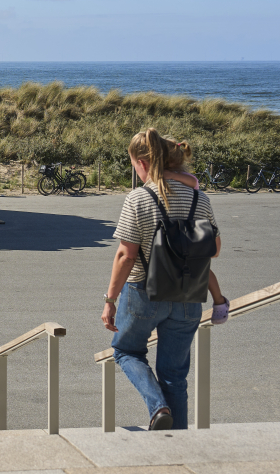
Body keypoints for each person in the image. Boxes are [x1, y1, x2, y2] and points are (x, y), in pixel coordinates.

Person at [102, 128, 222, 431]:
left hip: (144, 292)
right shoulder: (200, 198)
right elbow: (215, 250)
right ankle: (178, 445)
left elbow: (126, 256)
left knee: (126, 351)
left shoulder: (138, 199)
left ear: (142, 162)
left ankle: (158, 408)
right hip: (188, 294)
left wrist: (110, 301)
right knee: (174, 376)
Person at [161, 138, 230, 324]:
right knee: (204, 270)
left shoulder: (188, 180)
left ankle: (219, 302)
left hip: (185, 237)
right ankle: (219, 302)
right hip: (190, 238)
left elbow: (192, 182)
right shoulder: (188, 183)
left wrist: (169, 175)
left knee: (205, 271)